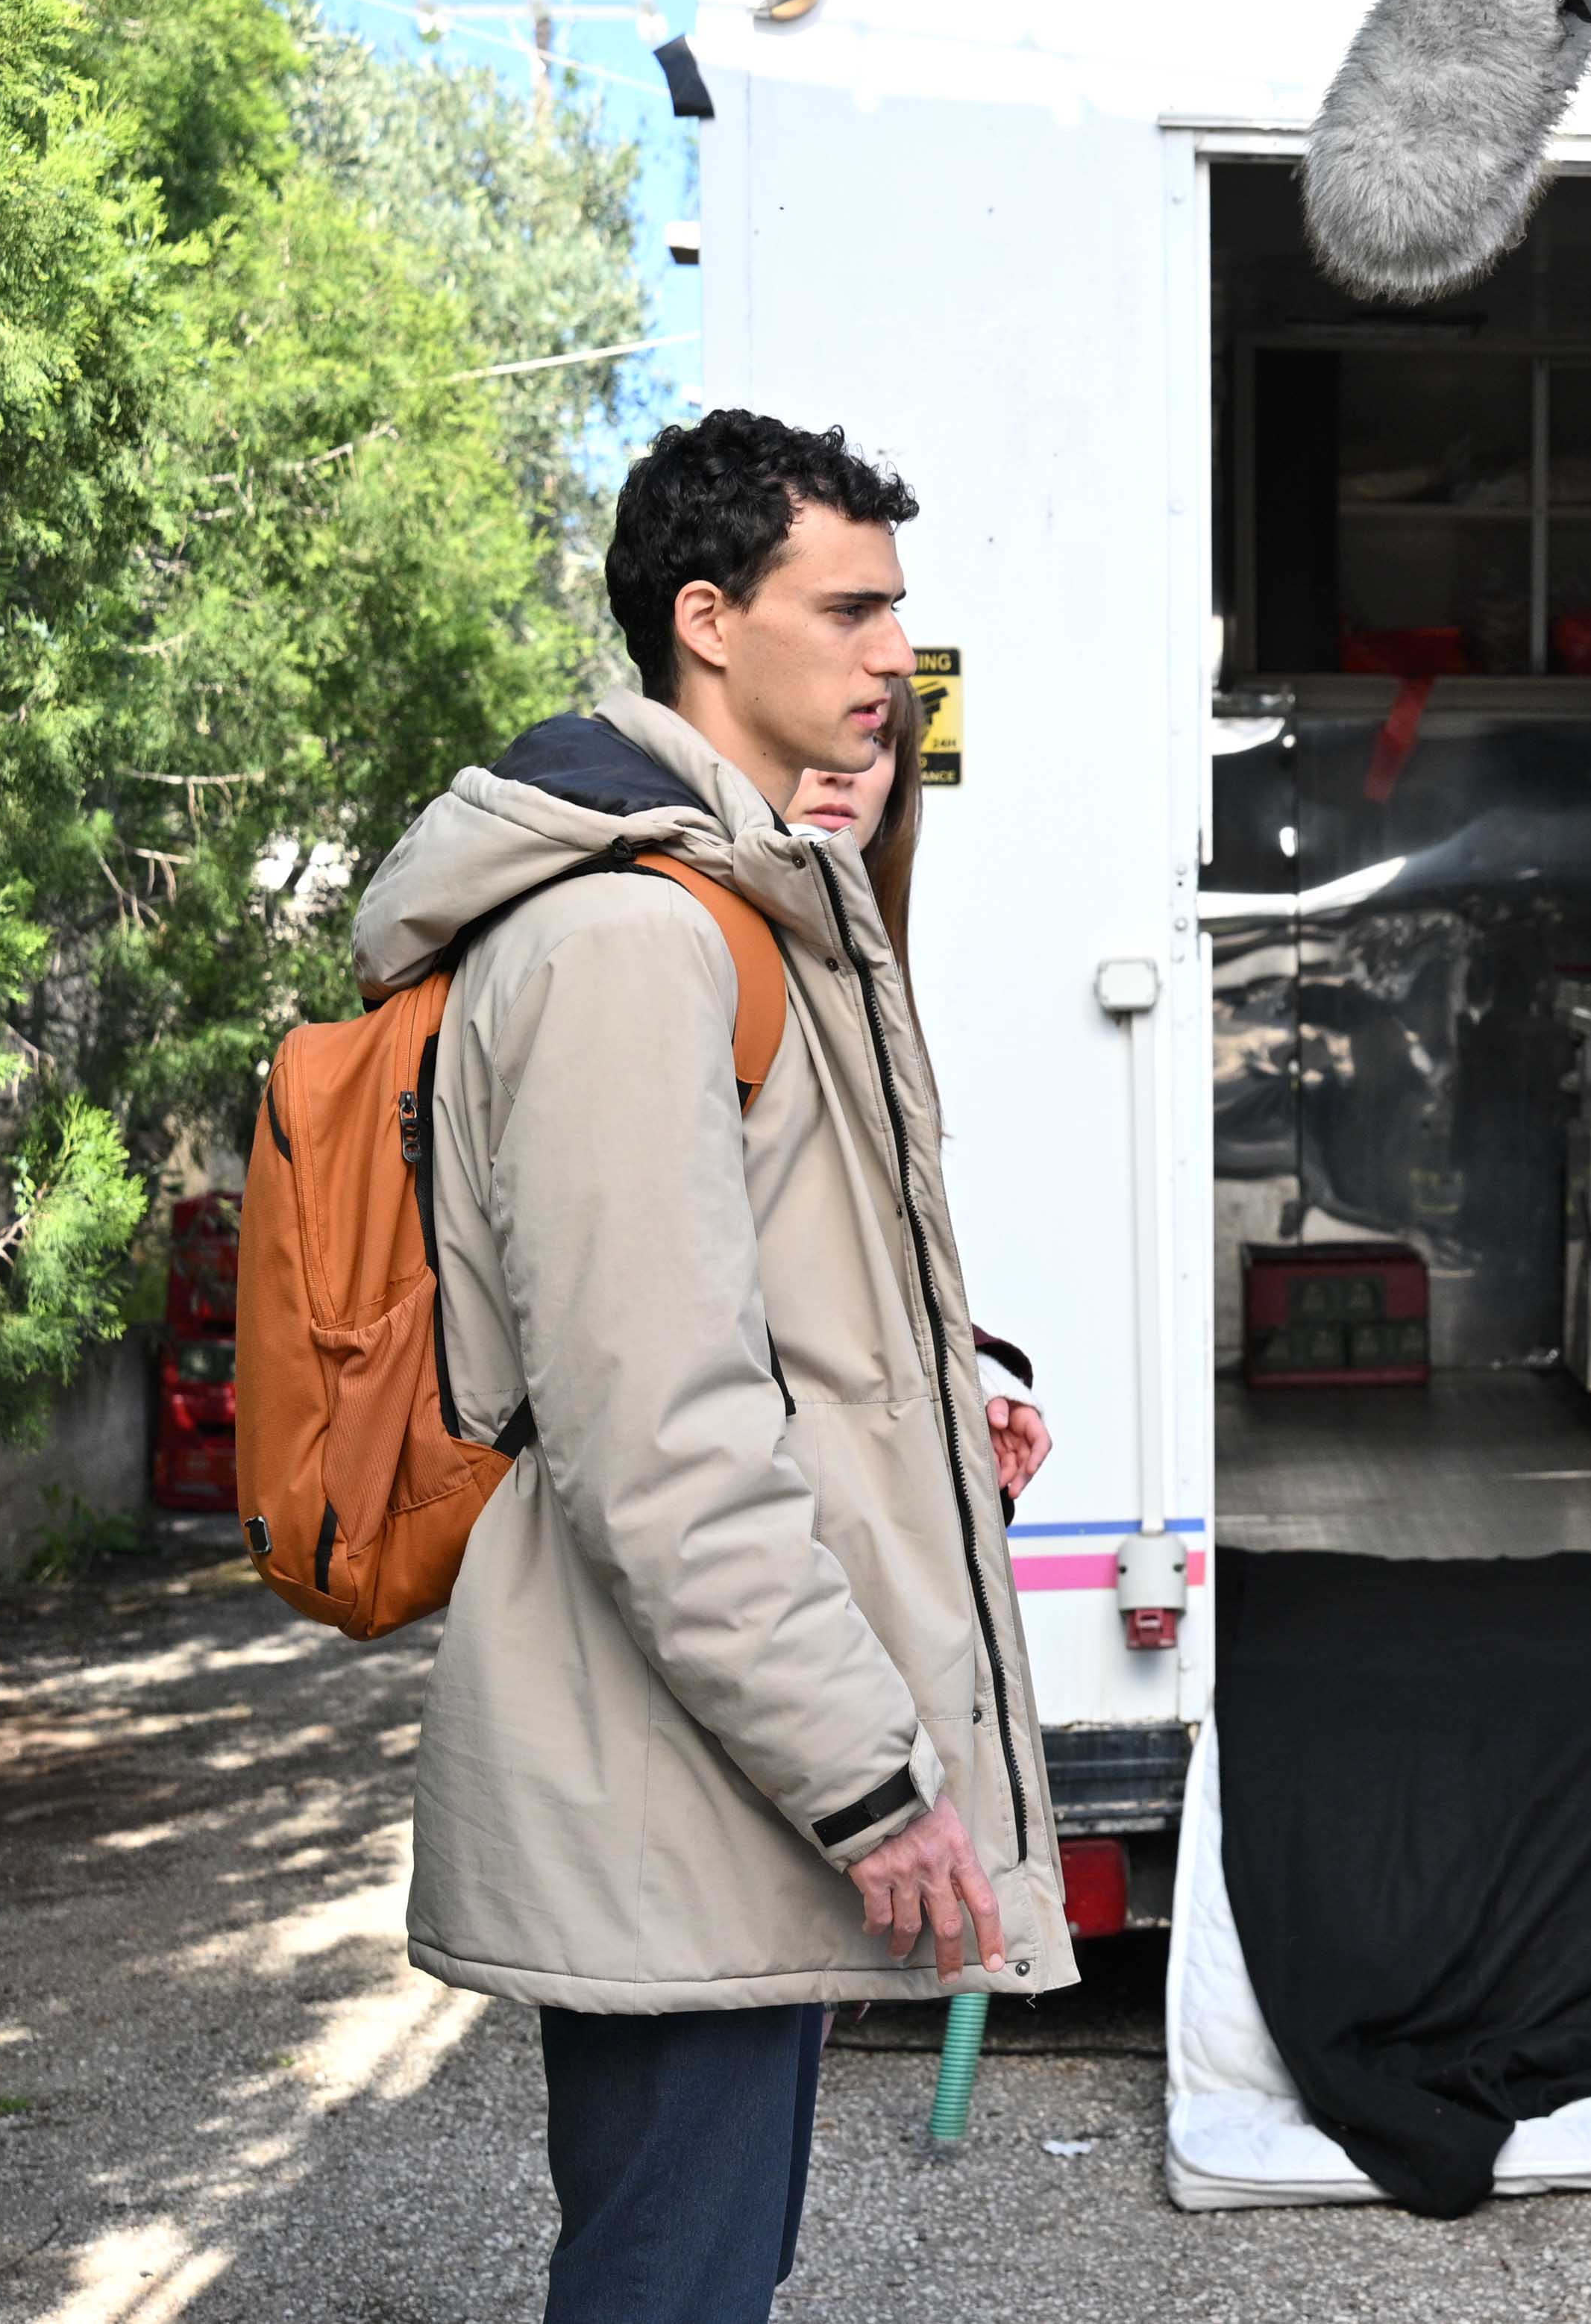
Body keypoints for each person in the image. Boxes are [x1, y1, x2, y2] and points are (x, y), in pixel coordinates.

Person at [350, 409, 1071, 2324]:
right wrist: (869, 1783)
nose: (893, 655)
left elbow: (750, 1324)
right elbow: (656, 1435)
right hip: (673, 1768)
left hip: (705, 1756)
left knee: (697, 2268)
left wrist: (934, 1411)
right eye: (847, 610)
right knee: (671, 2279)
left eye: (898, 612)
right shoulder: (624, 940)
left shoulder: (733, 903)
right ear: (705, 621)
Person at [785, 683, 1052, 1504]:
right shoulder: (700, 944)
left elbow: (857, 1260)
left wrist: (964, 1385)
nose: (842, 769)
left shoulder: (853, 962)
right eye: (811, 731)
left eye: (875, 741)